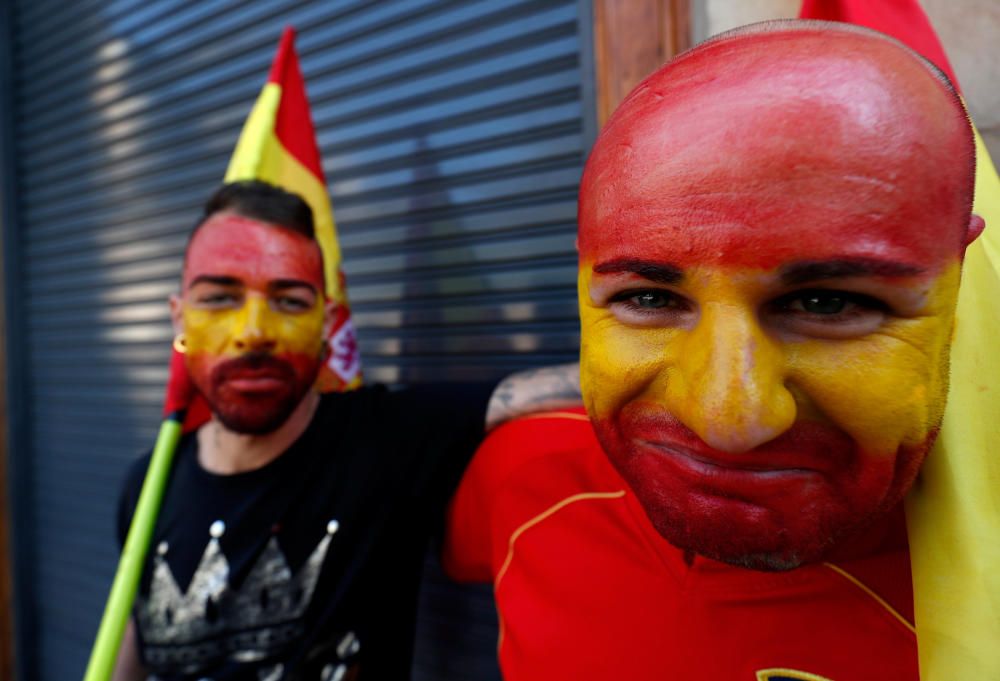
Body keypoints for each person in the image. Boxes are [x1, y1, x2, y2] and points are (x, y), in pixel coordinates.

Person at [444, 20, 990, 680]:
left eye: (828, 303)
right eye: (648, 298)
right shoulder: (525, 475)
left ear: (961, 288)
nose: (727, 419)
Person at [112, 180, 580, 681]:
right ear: (179, 316)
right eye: (220, 299)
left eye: (289, 301)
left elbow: (573, 385)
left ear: (326, 322)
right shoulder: (148, 483)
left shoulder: (386, 440)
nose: (253, 332)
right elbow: (134, 640)